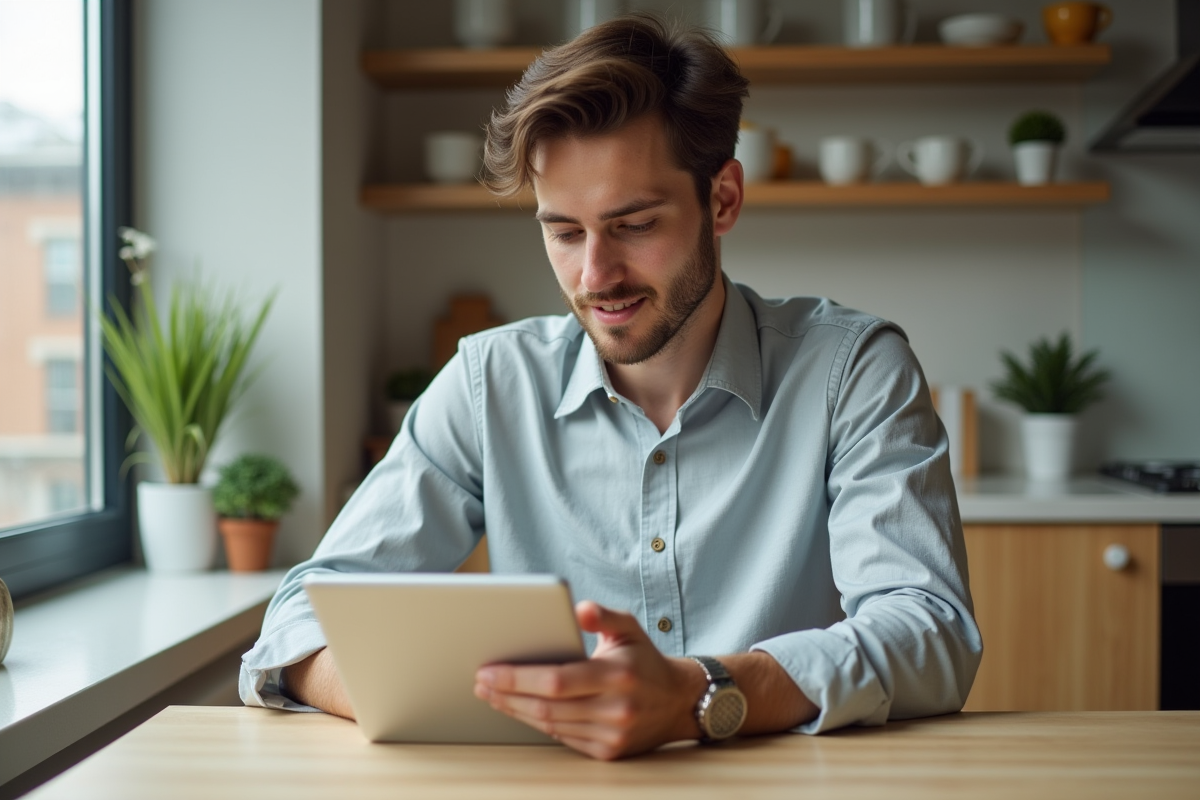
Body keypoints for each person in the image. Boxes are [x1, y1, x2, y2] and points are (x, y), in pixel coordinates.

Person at [240, 14, 982, 761]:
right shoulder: (488, 383)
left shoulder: (852, 370)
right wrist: (512, 701)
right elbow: (297, 624)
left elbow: (931, 630)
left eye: (632, 224)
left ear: (722, 199)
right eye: (564, 232)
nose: (594, 277)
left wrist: (702, 694)